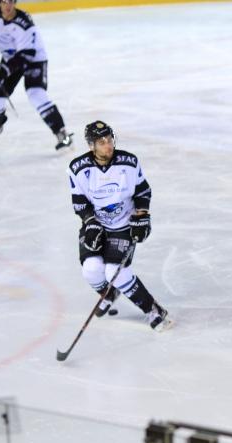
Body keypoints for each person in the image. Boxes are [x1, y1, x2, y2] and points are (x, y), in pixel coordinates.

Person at [68, 120, 172, 331]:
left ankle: (153, 310)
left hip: (123, 225)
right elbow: (79, 202)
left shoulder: (129, 163)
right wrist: (90, 222)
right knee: (91, 270)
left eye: (109, 139)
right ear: (91, 146)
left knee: (115, 272)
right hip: (96, 225)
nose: (108, 145)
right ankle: (109, 293)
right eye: (102, 142)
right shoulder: (77, 168)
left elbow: (143, 192)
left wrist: (142, 215)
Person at [0, 0, 72, 150]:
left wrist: (3, 71)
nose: (8, 6)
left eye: (11, 2)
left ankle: (62, 133)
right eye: (4, 2)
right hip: (11, 59)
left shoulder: (24, 22)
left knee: (35, 94)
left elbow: (26, 54)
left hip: (34, 59)